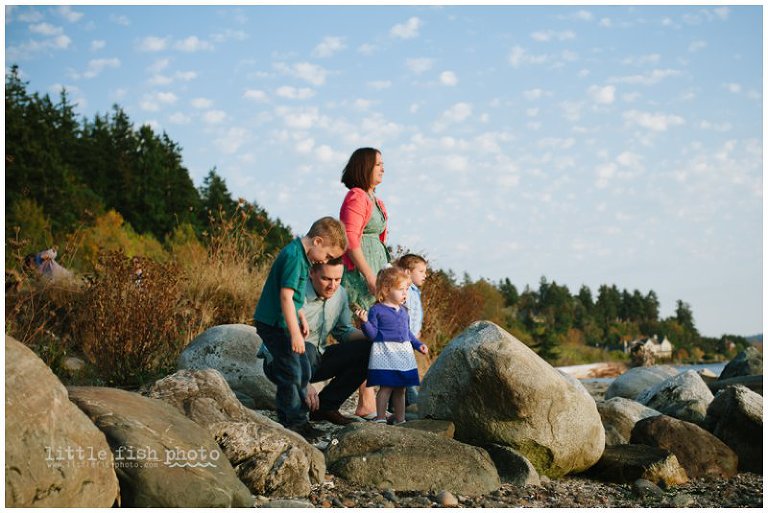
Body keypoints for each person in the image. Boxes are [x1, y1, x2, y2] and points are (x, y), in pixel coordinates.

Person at [253, 217, 347, 438]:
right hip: (274, 324)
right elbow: (285, 297)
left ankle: (300, 419)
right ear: (317, 241)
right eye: (327, 255)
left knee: (302, 368)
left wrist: (301, 317)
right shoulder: (294, 257)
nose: (325, 259)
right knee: (292, 371)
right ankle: (292, 421)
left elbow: (294, 299)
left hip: (286, 322)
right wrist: (295, 333)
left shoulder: (303, 258)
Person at [258, 257, 372, 428]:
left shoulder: (340, 293)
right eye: (326, 279)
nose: (332, 285)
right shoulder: (292, 295)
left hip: (315, 358)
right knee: (307, 349)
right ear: (311, 273)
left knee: (369, 349)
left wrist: (374, 336)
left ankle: (325, 408)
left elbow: (343, 331)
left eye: (337, 279)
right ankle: (294, 419)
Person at [339, 147, 389, 418]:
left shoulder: (375, 199)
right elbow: (349, 239)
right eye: (378, 164)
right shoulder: (356, 196)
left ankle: (371, 400)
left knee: (378, 330)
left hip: (376, 270)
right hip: (360, 275)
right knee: (366, 329)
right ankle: (366, 401)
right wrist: (370, 276)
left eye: (383, 164)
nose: (383, 168)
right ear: (364, 167)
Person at [355, 267, 428, 425]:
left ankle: (401, 419)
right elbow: (373, 335)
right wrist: (365, 323)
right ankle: (381, 417)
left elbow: (407, 333)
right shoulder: (377, 310)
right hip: (384, 352)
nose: (405, 294)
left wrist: (418, 345)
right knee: (386, 387)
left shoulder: (403, 311)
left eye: (407, 289)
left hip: (403, 353)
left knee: (401, 388)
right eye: (401, 289)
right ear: (386, 290)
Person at [395, 253, 429, 407]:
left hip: (411, 339)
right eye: (421, 271)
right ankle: (412, 403)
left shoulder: (414, 291)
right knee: (406, 372)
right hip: (402, 339)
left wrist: (417, 332)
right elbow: (402, 314)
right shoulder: (406, 291)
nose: (425, 275)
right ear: (408, 272)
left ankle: (401, 404)